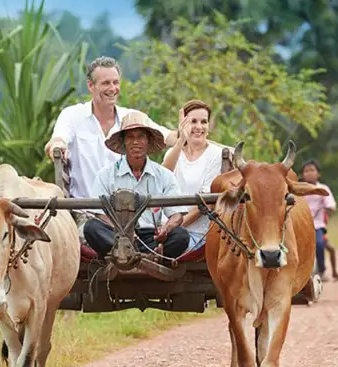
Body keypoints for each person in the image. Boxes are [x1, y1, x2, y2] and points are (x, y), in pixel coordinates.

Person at [43, 56, 181, 240]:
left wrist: (189, 130)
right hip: (91, 214)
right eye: (105, 83)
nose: (112, 88)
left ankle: (141, 246)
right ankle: (130, 246)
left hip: (138, 217)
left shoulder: (131, 118)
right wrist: (57, 146)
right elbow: (58, 139)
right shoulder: (73, 116)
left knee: (178, 237)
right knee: (92, 231)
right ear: (91, 86)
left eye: (115, 82)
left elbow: (169, 136)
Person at [83, 111, 190, 261]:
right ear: (123, 142)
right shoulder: (105, 175)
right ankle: (131, 254)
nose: (135, 142)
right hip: (117, 236)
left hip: (152, 237)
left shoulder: (164, 175)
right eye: (130, 137)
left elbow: (177, 215)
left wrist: (166, 229)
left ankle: (151, 255)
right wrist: (122, 234)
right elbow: (101, 215)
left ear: (148, 141)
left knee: (181, 236)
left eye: (140, 137)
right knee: (92, 228)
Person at [161, 99, 225, 252]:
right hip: (166, 227)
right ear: (183, 124)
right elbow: (162, 178)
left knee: (175, 241)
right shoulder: (174, 153)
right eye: (193, 121)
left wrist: (173, 227)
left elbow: (204, 204)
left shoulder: (215, 155)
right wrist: (181, 140)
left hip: (195, 234)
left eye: (204, 122)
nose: (199, 127)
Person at [300, 160, 338, 281]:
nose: (309, 173)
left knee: (319, 244)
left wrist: (329, 209)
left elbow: (331, 204)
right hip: (301, 225)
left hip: (317, 225)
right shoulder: (299, 189)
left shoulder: (322, 189)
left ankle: (322, 270)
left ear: (318, 174)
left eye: (312, 170)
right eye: (306, 171)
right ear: (302, 175)